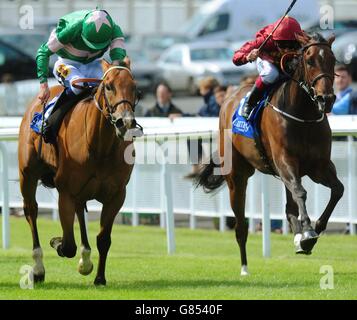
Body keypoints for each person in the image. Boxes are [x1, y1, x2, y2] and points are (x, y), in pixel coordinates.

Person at [36, 9, 128, 144]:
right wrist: (43, 85)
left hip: (94, 64)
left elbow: (117, 64)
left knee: (110, 85)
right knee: (78, 86)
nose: (92, 48)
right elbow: (43, 52)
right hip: (67, 63)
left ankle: (122, 122)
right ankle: (47, 118)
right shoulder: (72, 28)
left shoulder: (115, 30)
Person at [232, 16, 304, 119]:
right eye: (283, 44)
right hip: (268, 61)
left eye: (292, 44)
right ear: (275, 40)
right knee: (271, 74)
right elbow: (236, 57)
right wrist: (247, 57)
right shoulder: (265, 40)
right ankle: (250, 102)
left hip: (289, 61)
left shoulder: (302, 38)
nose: (287, 48)